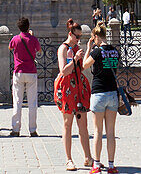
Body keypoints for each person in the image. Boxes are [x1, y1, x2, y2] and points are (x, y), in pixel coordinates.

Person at [55, 19, 92, 172]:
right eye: (77, 36)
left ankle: (88, 158)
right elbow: (63, 71)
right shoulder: (63, 49)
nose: (79, 39)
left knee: (83, 124)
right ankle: (69, 159)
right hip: (67, 88)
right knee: (67, 124)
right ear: (70, 34)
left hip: (79, 87)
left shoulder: (76, 48)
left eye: (80, 37)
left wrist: (88, 49)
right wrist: (75, 58)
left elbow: (81, 68)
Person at [83, 22, 120, 174]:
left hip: (98, 93)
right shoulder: (115, 51)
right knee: (110, 132)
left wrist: (88, 49)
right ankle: (111, 166)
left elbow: (85, 65)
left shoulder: (97, 52)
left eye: (94, 38)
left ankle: (96, 165)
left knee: (98, 131)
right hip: (112, 93)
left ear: (97, 37)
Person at [9, 17, 41, 137]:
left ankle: (16, 129)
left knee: (17, 101)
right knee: (32, 102)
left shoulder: (15, 39)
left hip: (19, 72)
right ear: (28, 26)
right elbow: (39, 50)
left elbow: (10, 47)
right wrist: (31, 36)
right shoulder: (33, 39)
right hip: (31, 71)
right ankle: (32, 130)